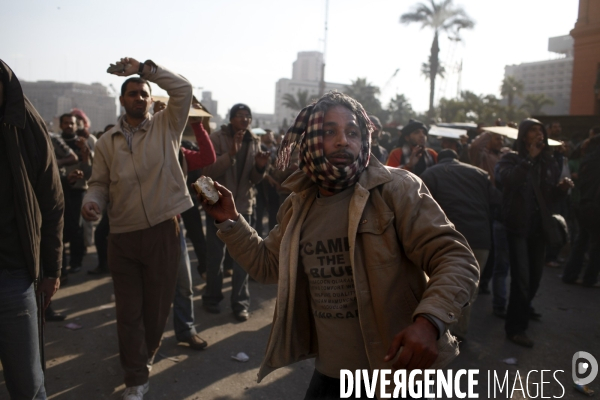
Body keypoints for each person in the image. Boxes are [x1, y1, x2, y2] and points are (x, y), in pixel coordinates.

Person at [201, 92, 479, 398]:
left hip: (394, 376)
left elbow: (455, 257)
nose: (342, 141)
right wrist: (230, 220)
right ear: (311, 140)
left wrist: (429, 322)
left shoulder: (396, 190)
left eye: (352, 132)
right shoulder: (299, 204)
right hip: (330, 375)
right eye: (329, 131)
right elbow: (268, 266)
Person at [81, 57, 193, 399]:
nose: (139, 98)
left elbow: (184, 89)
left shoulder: (167, 125)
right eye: (132, 94)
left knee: (156, 311)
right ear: (122, 100)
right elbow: (99, 183)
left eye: (143, 94)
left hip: (163, 230)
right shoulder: (106, 143)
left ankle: (144, 355)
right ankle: (136, 377)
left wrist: (145, 70)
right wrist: (93, 203)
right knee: (128, 312)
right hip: (123, 237)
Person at [0, 59, 64, 400]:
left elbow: (53, 203)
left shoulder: (27, 127)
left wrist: (52, 270)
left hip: (13, 275)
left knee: (27, 384)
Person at [496, 118, 573, 348]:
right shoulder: (511, 158)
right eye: (533, 131)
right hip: (517, 227)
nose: (538, 134)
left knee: (535, 278)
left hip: (539, 229)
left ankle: (521, 312)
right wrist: (529, 158)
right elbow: (507, 180)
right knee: (521, 279)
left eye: (541, 130)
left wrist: (561, 191)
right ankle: (515, 328)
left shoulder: (549, 162)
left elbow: (547, 199)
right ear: (523, 136)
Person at [420, 149, 499, 339]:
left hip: (447, 237)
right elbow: (496, 202)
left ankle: (435, 331)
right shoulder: (480, 174)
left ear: (439, 158)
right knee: (469, 289)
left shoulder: (430, 174)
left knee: (438, 284)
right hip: (480, 238)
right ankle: (459, 333)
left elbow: (421, 205)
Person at [201, 103, 269, 321]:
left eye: (248, 116)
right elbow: (208, 171)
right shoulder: (216, 138)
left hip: (243, 208)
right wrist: (230, 154)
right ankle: (212, 297)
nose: (245, 120)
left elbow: (254, 180)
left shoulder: (253, 141)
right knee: (215, 258)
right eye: (240, 116)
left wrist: (260, 167)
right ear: (231, 119)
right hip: (219, 208)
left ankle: (240, 303)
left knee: (243, 260)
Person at [562, 132, 600, 287]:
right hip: (596, 205)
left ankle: (570, 275)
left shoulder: (587, 161)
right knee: (596, 246)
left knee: (581, 240)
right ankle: (590, 278)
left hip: (583, 204)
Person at [57, 113, 92, 276]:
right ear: (61, 125)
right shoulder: (55, 142)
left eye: (71, 123)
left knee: (76, 227)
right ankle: (60, 265)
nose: (69, 126)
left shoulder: (82, 143)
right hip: (59, 190)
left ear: (76, 126)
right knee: (59, 227)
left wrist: (85, 153)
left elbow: (88, 172)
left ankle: (76, 262)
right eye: (66, 123)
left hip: (78, 189)